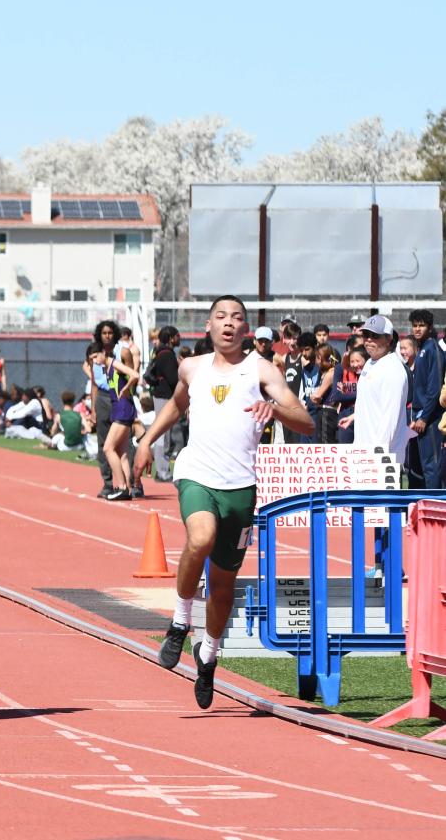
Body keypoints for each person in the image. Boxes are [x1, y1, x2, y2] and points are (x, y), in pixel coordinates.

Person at [133, 295, 311, 710]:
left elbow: (303, 419)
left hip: (240, 488)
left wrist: (275, 409)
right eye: (220, 317)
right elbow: (177, 405)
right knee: (201, 536)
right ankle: (178, 622)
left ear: (246, 329)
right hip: (197, 474)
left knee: (224, 586)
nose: (228, 324)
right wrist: (146, 441)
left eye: (237, 318)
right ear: (208, 326)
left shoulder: (262, 370)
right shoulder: (191, 367)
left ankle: (208, 657)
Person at [339, 315, 411, 466]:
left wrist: (376, 458)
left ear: (389, 339)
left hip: (382, 459)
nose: (369, 339)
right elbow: (369, 400)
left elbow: (390, 419)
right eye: (366, 335)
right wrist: (354, 416)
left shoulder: (393, 370)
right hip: (365, 452)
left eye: (375, 335)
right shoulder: (370, 363)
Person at [98, 345, 140, 500]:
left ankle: (122, 487)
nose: (94, 361)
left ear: (103, 353)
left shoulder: (114, 363)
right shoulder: (107, 367)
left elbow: (135, 374)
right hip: (119, 409)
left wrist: (127, 388)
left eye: (96, 357)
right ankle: (128, 489)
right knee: (122, 454)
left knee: (108, 448)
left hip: (123, 409)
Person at [408, 310, 442, 488]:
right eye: (415, 325)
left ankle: (436, 509)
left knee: (432, 465)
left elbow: (434, 388)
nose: (417, 329)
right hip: (419, 417)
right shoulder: (421, 349)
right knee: (421, 465)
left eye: (421, 325)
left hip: (430, 419)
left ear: (429, 327)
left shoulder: (433, 349)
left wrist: (424, 417)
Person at [84, 320, 118, 497]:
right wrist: (94, 410)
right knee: (103, 443)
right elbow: (94, 385)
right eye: (104, 333)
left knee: (123, 442)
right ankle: (108, 482)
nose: (107, 336)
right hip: (103, 398)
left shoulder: (121, 352)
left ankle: (132, 481)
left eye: (110, 333)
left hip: (118, 396)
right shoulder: (94, 357)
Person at [146, 326, 183, 482]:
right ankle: (163, 472)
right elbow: (173, 379)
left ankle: (161, 470)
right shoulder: (167, 355)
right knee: (163, 435)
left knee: (164, 434)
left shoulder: (159, 352)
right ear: (171, 338)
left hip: (161, 395)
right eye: (177, 336)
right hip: (165, 396)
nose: (179, 338)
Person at [327, 348, 364, 445]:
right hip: (346, 412)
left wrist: (347, 394)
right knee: (345, 448)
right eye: (352, 361)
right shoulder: (340, 369)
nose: (355, 364)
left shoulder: (367, 373)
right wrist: (361, 394)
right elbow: (337, 396)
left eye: (357, 360)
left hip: (363, 412)